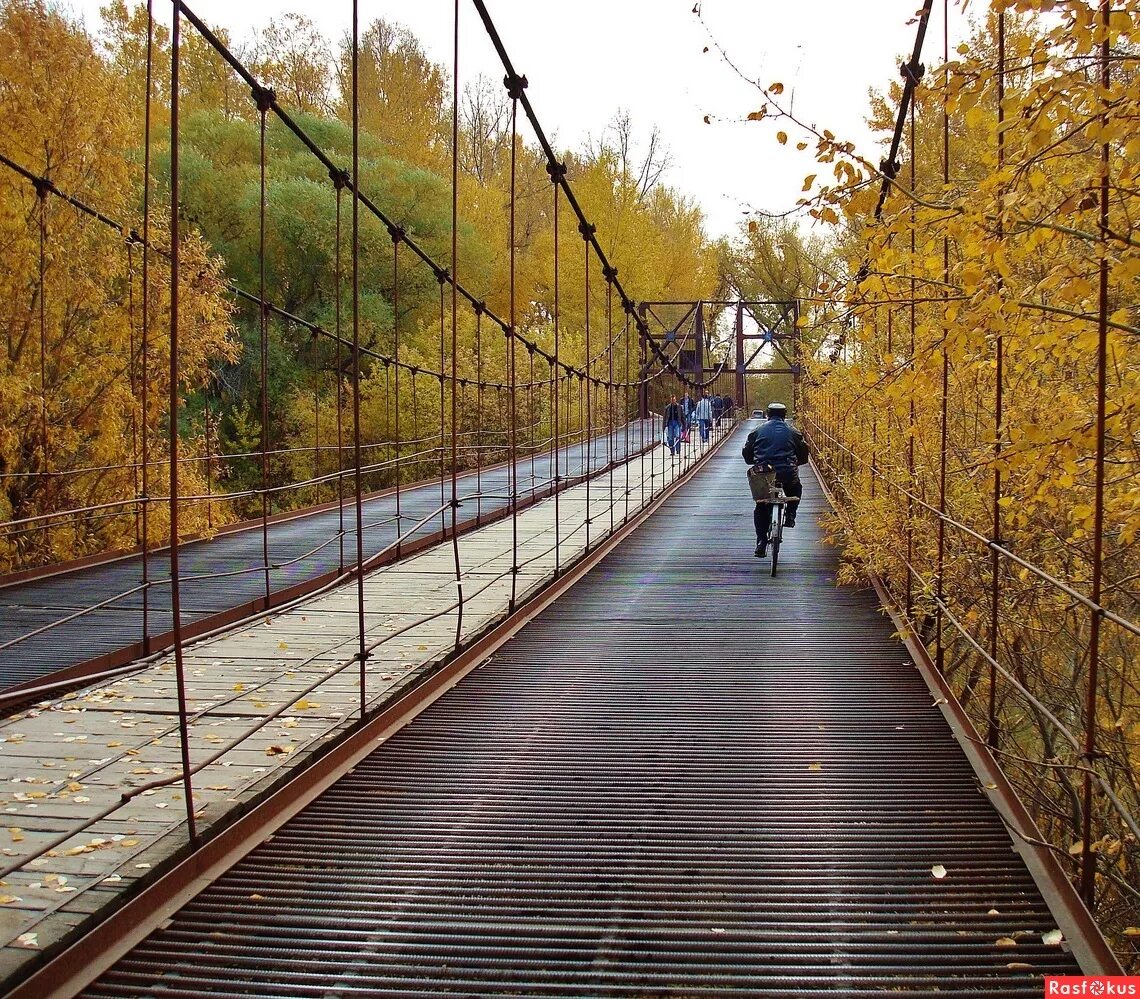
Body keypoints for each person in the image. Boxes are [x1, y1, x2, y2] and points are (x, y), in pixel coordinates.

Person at [742, 401, 808, 557]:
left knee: (761, 505)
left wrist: (754, 461)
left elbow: (747, 454)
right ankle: (791, 515)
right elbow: (804, 454)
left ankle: (761, 541)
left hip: (763, 474)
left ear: (767, 414)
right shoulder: (793, 432)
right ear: (785, 415)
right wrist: (796, 462)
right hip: (787, 472)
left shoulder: (756, 431)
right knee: (796, 488)